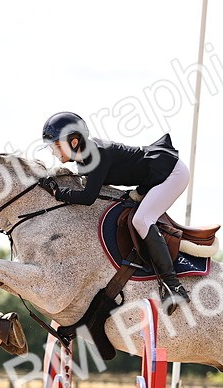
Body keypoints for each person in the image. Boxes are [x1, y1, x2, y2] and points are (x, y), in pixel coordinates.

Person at [37, 111, 191, 312]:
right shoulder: (83, 159)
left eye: (56, 146)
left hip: (171, 173)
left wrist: (58, 192)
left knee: (142, 220)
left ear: (74, 142)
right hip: (152, 178)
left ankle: (174, 286)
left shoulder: (95, 154)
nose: (53, 152)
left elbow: (88, 198)